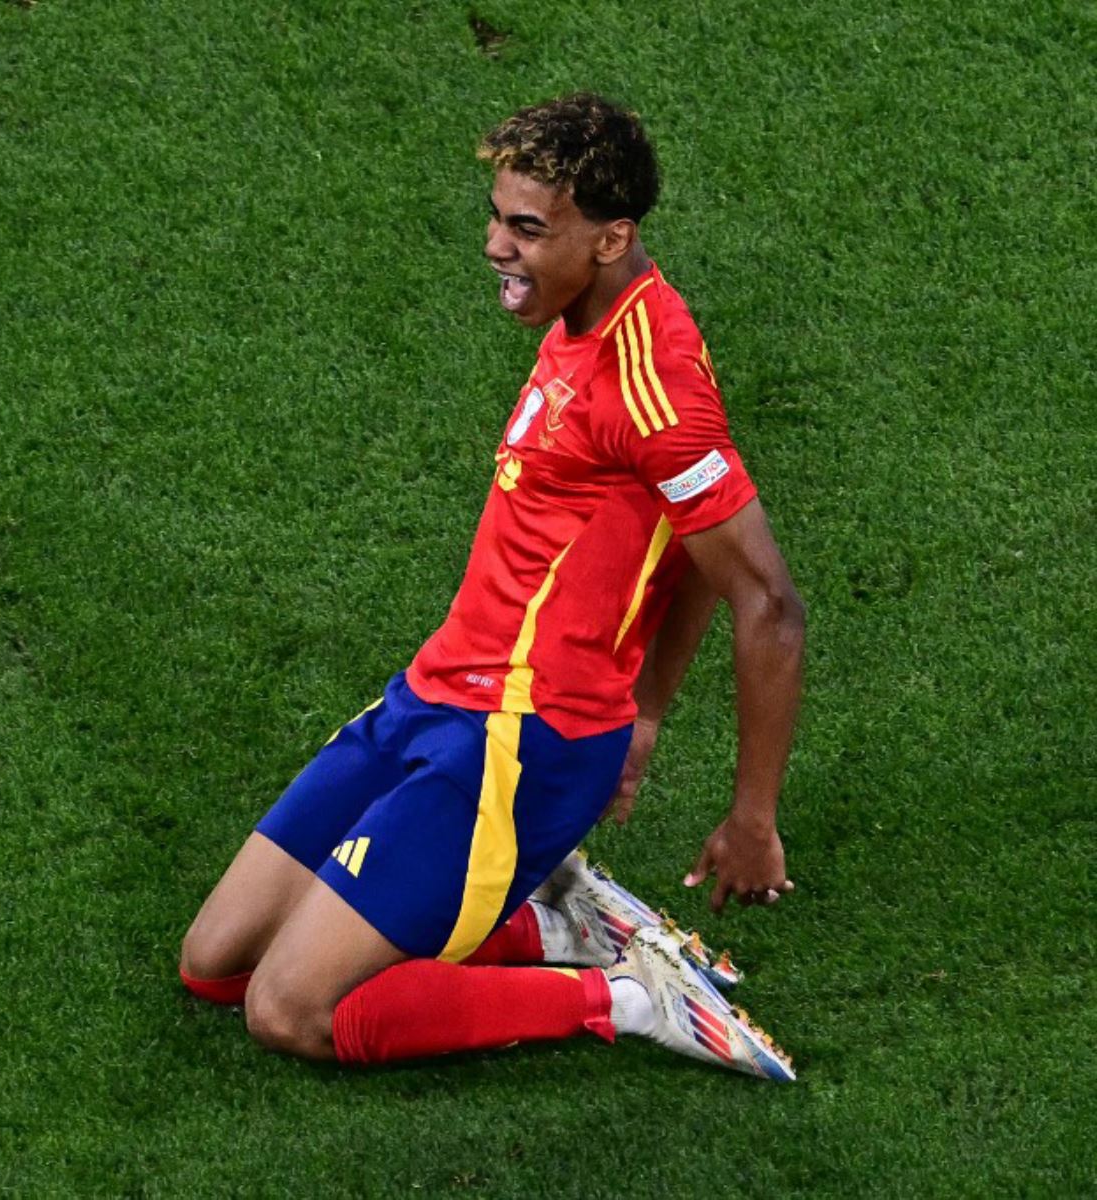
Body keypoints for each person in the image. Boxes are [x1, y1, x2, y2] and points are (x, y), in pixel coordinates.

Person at [178, 94, 806, 1080]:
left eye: (526, 229)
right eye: (497, 217)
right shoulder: (583, 319)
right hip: (433, 697)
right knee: (215, 965)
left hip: (526, 740)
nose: (495, 247)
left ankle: (628, 997)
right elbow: (680, 545)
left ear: (611, 238)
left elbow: (765, 598)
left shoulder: (653, 381)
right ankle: (551, 926)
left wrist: (751, 817)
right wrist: (645, 707)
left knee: (290, 1007)